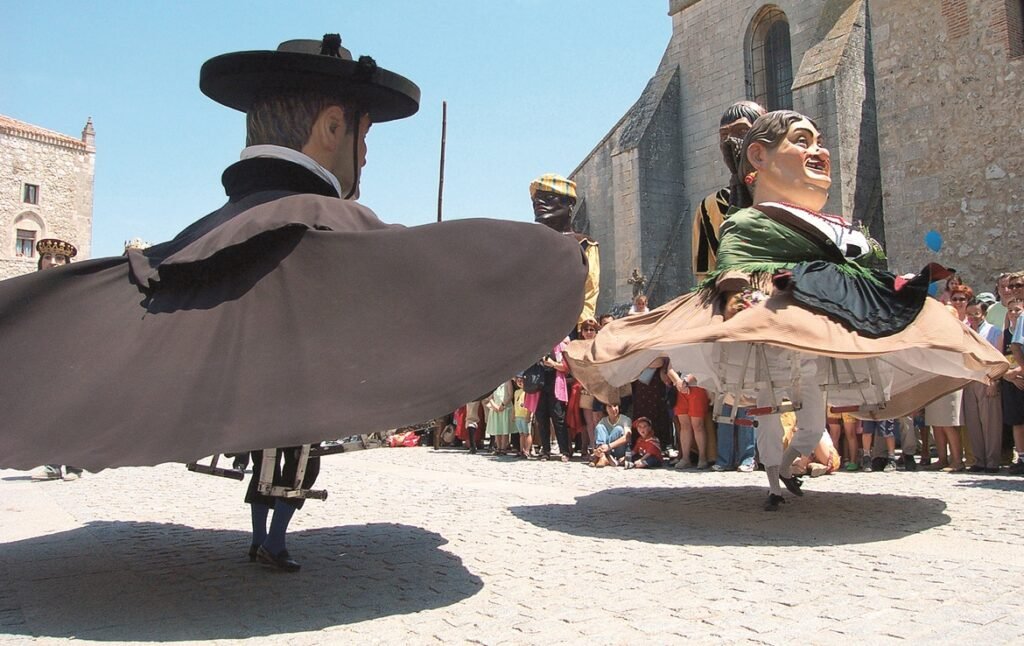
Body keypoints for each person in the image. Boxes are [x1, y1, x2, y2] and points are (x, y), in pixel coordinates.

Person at [1, 36, 588, 573]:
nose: (366, 155)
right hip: (292, 397)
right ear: (332, 127)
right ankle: (273, 535)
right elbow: (446, 270)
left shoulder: (203, 234)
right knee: (294, 457)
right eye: (364, 137)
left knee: (278, 456)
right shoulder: (331, 221)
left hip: (258, 389)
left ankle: (267, 531)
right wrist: (555, 253)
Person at [566, 110, 1007, 511]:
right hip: (772, 314)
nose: (819, 150)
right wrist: (736, 294)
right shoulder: (749, 219)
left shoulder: (839, 225)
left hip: (830, 317)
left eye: (818, 140)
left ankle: (794, 464)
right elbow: (733, 258)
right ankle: (775, 479)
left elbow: (869, 263)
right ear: (759, 157)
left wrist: (909, 292)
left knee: (815, 405)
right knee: (770, 402)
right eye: (802, 140)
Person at [692, 101, 767, 282]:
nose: (729, 142)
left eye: (741, 131)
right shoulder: (709, 207)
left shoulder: (790, 194)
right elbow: (704, 275)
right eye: (724, 135)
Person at [30, 238, 85, 482]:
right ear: (40, 261)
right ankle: (52, 465)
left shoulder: (78, 288)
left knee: (72, 411)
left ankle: (74, 465)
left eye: (60, 258)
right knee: (46, 412)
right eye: (48, 258)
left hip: (72, 358)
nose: (53, 262)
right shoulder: (29, 289)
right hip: (43, 359)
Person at [530, 174, 599, 333]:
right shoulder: (530, 243)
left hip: (569, 329)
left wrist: (584, 326)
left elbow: (590, 290)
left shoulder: (585, 244)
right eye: (535, 201)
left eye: (548, 197)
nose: (538, 203)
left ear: (569, 203)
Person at [590, 403, 632, 467]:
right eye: (610, 406)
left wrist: (609, 446)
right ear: (606, 409)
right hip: (605, 449)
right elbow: (598, 434)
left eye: (615, 406)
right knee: (599, 427)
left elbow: (627, 437)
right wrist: (595, 449)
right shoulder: (603, 420)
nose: (613, 409)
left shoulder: (625, 419)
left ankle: (602, 457)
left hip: (618, 450)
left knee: (618, 429)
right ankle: (603, 456)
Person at [485, 379, 514, 455]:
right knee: (497, 429)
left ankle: (503, 448)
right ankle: (498, 447)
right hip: (495, 408)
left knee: (505, 429)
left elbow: (510, 394)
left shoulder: (507, 381)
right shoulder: (494, 382)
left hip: (505, 408)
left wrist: (503, 405)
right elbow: (489, 396)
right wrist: (494, 405)